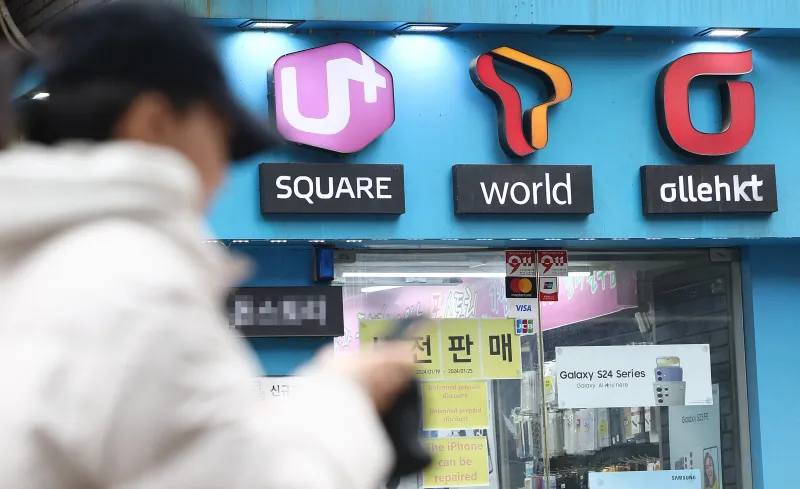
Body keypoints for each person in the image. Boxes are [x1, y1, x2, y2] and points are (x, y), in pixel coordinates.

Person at [0, 2, 415, 488]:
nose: (223, 174)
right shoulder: (137, 285)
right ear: (153, 122)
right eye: (222, 138)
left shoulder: (34, 269)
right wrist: (349, 397)